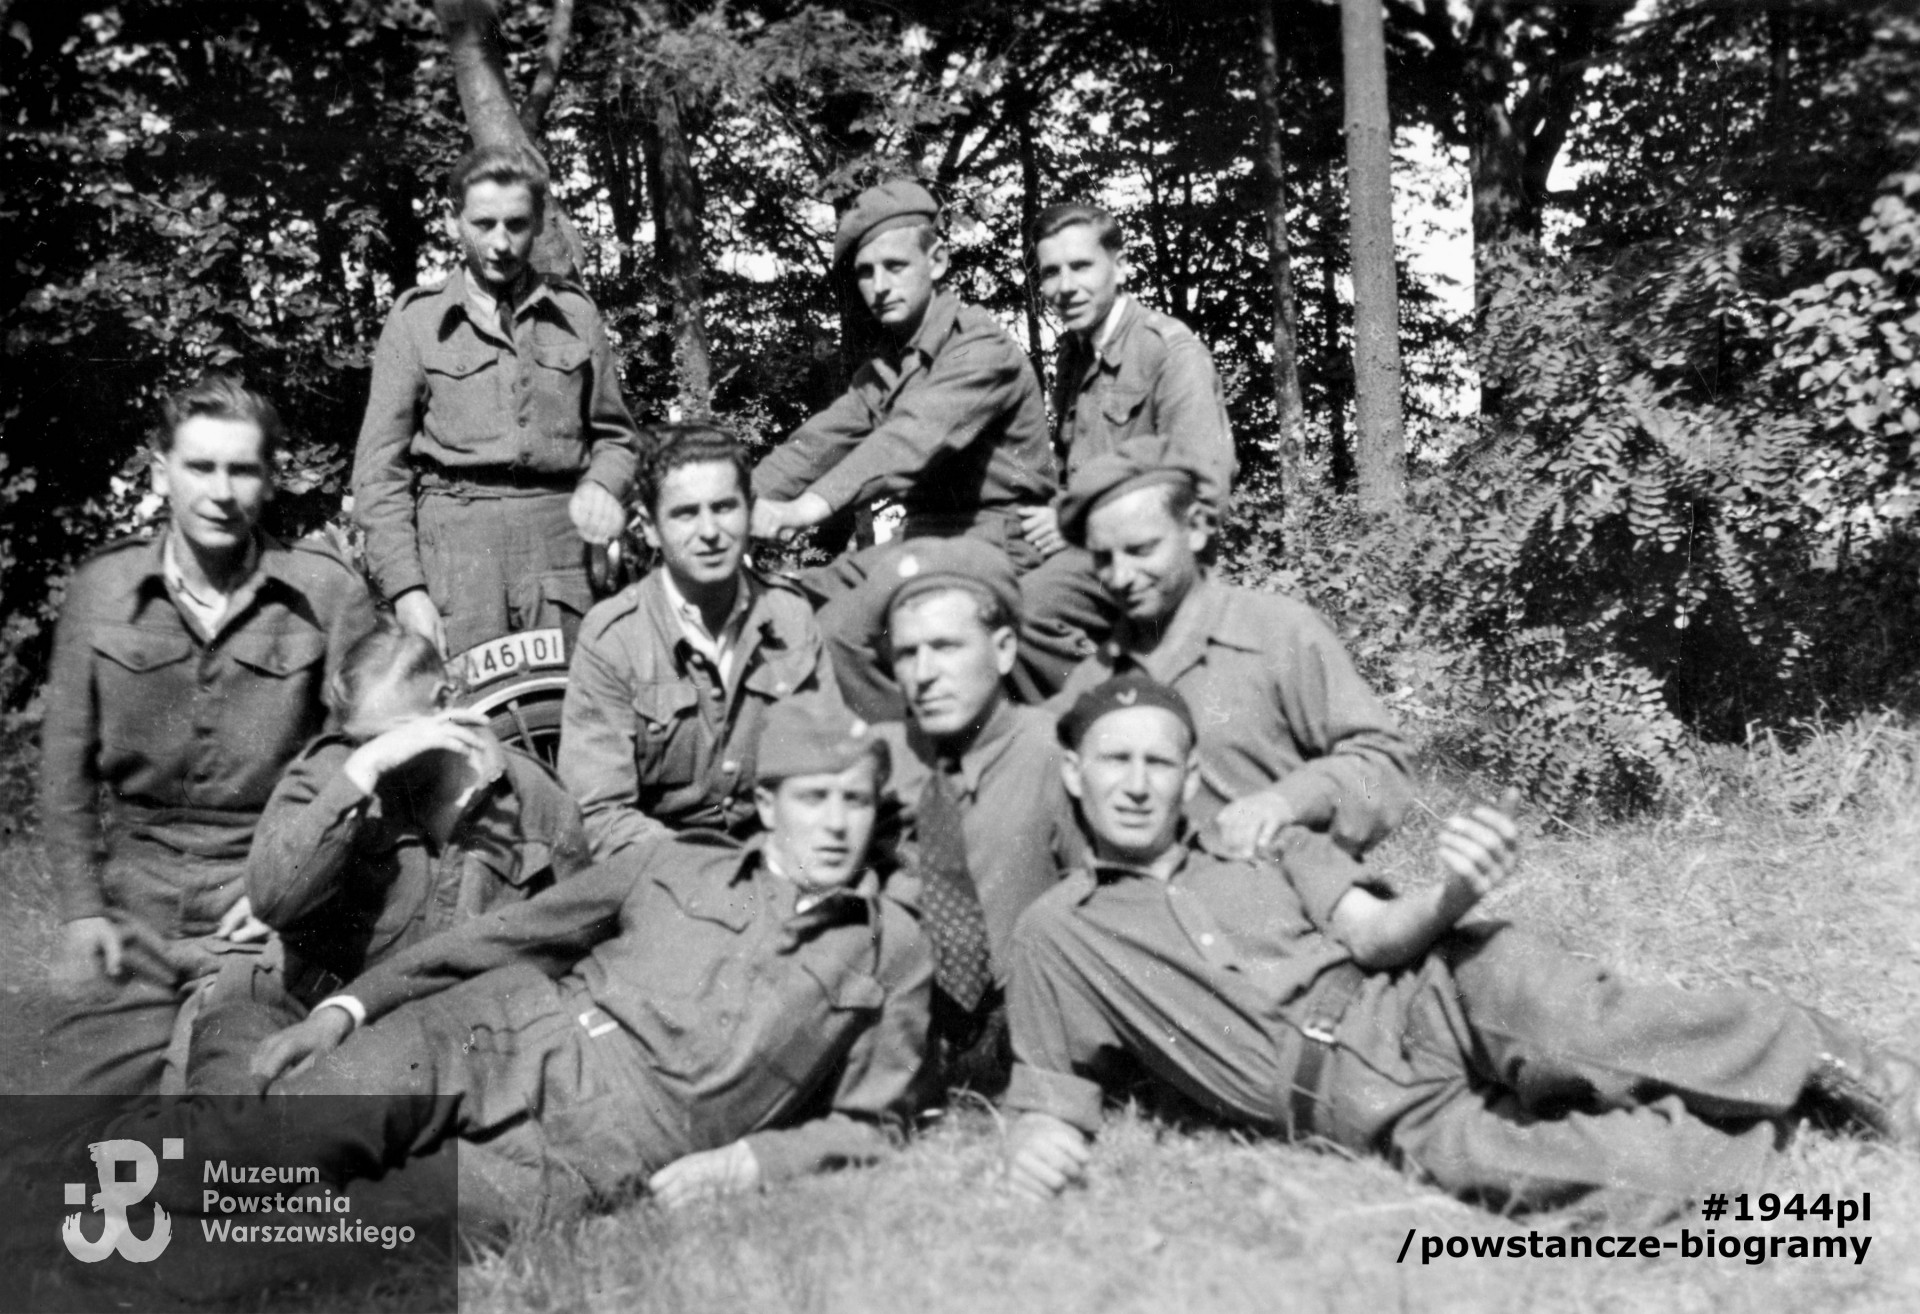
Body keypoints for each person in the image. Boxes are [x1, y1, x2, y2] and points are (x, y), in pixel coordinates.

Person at [1001, 675, 1920, 1209]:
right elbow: (1053, 1087)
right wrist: (1036, 1149)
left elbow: (1374, 934)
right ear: (1076, 774)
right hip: (1356, 1106)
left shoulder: (1267, 838)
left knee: (1579, 1028)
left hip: (1429, 993)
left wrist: (1452, 893)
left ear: (1188, 773)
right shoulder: (1060, 937)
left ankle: (1841, 1060)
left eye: (1157, 761)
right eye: (1114, 761)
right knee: (1555, 1179)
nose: (1135, 783)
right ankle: (1771, 1133)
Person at [105, 698, 931, 1217]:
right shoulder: (676, 861)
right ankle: (105, 1207)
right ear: (765, 805)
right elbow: (504, 936)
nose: (834, 824)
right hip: (497, 1032)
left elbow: (875, 1123)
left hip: (607, 1142)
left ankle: (225, 1054)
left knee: (342, 1232)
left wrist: (754, 1161)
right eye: (813, 799)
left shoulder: (892, 950)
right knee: (273, 1148)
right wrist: (344, 1009)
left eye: (854, 801)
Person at [39, 374, 378, 1094]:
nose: (221, 491)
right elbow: (64, 773)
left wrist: (287, 890)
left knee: (217, 1108)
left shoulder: (326, 595)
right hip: (133, 919)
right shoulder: (102, 590)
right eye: (200, 466)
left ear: (270, 478)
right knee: (52, 1128)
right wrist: (81, 914)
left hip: (264, 926)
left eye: (242, 469)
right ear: (161, 471)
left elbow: (363, 767)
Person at [185, 620, 591, 1093]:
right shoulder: (334, 770)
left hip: (437, 1041)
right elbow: (272, 900)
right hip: (296, 1003)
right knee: (227, 1121)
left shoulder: (532, 800)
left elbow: (573, 935)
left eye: (389, 738)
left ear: (444, 701)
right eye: (362, 740)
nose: (379, 753)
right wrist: (361, 772)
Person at [750, 179, 1056, 720]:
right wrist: (730, 503)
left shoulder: (981, 351)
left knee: (840, 633)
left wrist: (804, 510)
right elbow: (814, 445)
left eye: (895, 266)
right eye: (865, 273)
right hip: (923, 542)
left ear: (936, 261)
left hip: (995, 543)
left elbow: (908, 441)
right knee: (783, 601)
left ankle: (914, 773)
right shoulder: (890, 369)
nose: (879, 286)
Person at [353, 143, 641, 660]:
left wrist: (602, 484)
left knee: (570, 712)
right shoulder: (416, 321)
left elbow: (617, 438)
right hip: (459, 560)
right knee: (466, 715)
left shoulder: (575, 314)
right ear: (453, 220)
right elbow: (380, 472)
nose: (501, 243)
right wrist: (407, 590)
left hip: (561, 556)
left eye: (517, 224)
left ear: (540, 223)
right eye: (484, 224)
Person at [1054, 443, 1412, 858]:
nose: (1120, 576)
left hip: (1294, 897)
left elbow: (1383, 770)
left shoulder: (1278, 633)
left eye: (1140, 550)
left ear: (1196, 527)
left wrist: (1288, 802)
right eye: (1102, 559)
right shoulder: (1093, 682)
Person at [560, 425, 841, 857]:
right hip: (660, 874)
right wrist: (712, 878)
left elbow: (826, 765)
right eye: (686, 513)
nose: (710, 531)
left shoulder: (790, 616)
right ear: (650, 528)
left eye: (725, 507)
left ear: (749, 512)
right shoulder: (613, 638)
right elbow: (600, 813)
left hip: (779, 861)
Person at [867, 538, 1084, 1070]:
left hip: (1033, 1024)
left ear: (1005, 649)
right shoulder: (878, 761)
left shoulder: (1057, 754)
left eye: (946, 647)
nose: (924, 674)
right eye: (907, 653)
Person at [1016, 203, 1237, 696]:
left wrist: (1077, 525)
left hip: (1152, 559)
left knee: (1026, 612)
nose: (1065, 286)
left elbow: (1205, 491)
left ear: (1120, 266)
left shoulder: (1169, 352)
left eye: (1081, 266)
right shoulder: (1075, 354)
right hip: (1092, 555)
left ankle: (1122, 707)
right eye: (1051, 273)